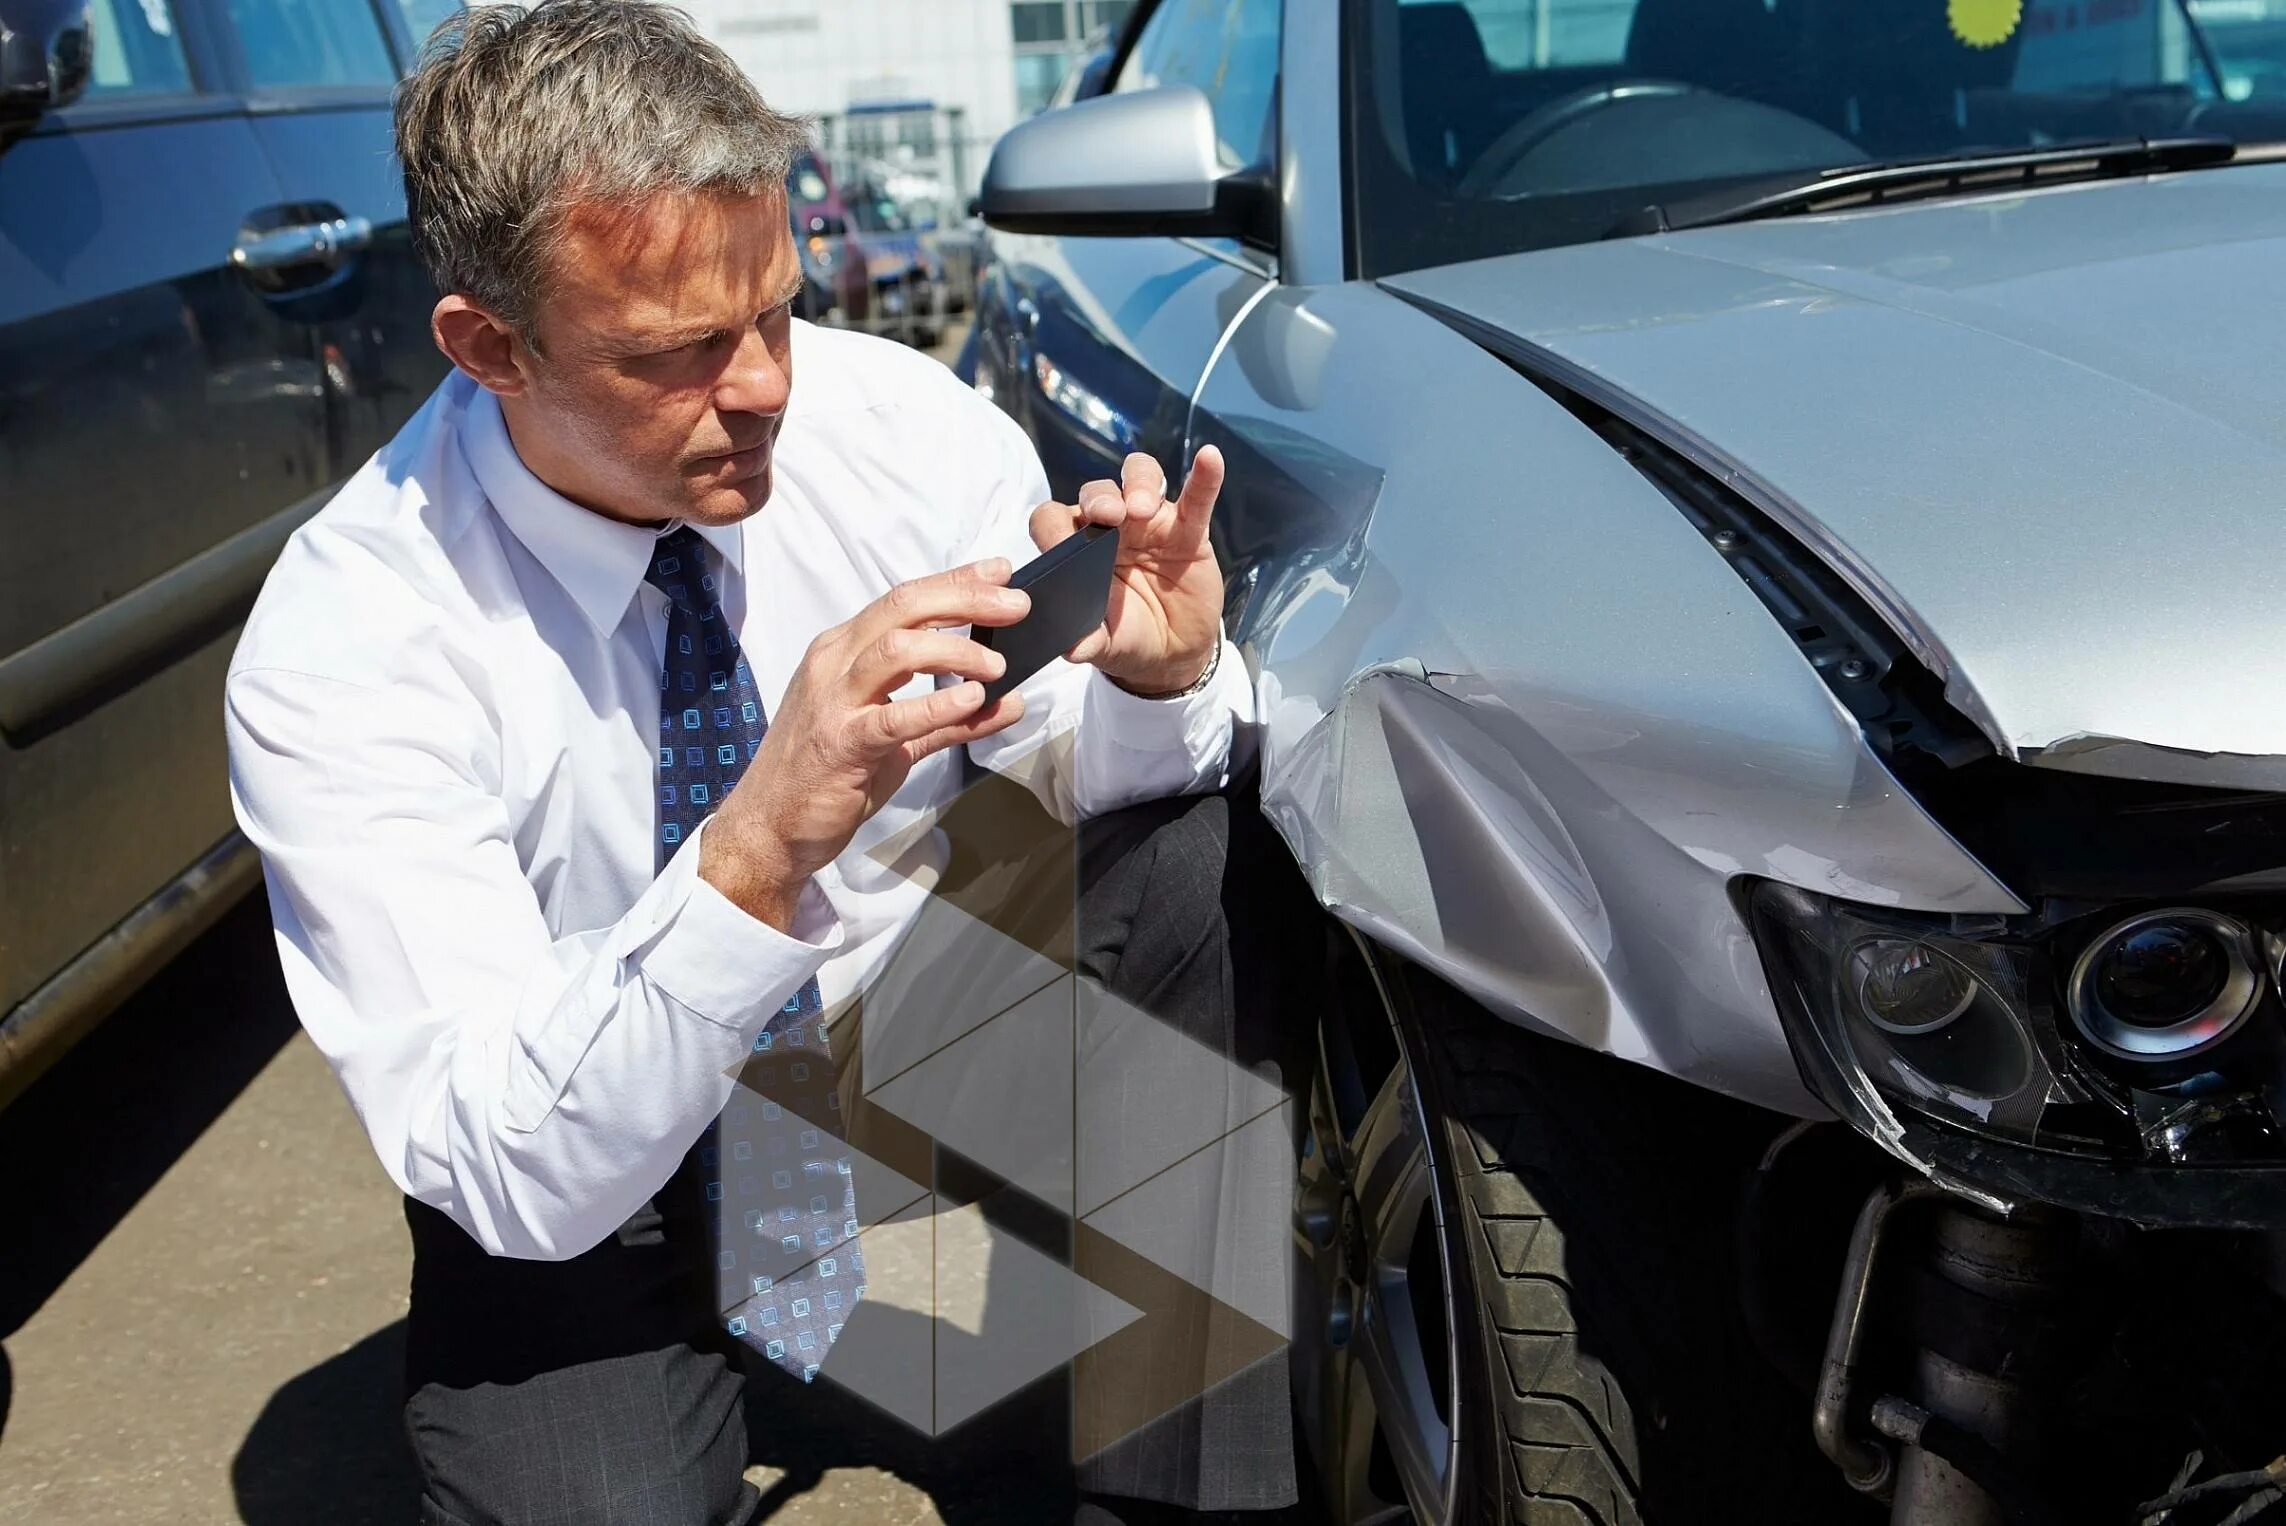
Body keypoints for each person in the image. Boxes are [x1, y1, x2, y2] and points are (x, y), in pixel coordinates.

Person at [223, 3, 1305, 1523]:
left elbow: (1079, 778)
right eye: (674, 352)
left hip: (890, 1023)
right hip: (596, 1161)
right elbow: (506, 1159)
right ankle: (695, 1342)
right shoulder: (353, 640)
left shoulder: (894, 427)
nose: (764, 389)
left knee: (1197, 852)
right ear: (486, 348)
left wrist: (1153, 680)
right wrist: (748, 850)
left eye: (776, 312)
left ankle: (1171, 1487)